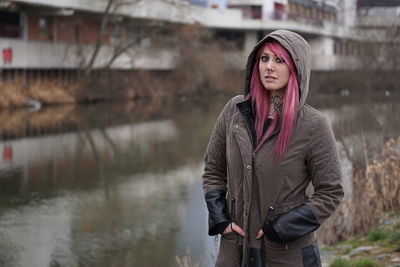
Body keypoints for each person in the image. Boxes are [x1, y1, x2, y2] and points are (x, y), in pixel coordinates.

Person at [202, 29, 344, 267]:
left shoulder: (312, 124)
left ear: (296, 68)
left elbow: (331, 192)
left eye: (279, 60)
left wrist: (281, 228)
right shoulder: (234, 111)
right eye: (264, 58)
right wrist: (221, 220)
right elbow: (213, 170)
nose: (269, 66)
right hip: (234, 250)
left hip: (286, 254)